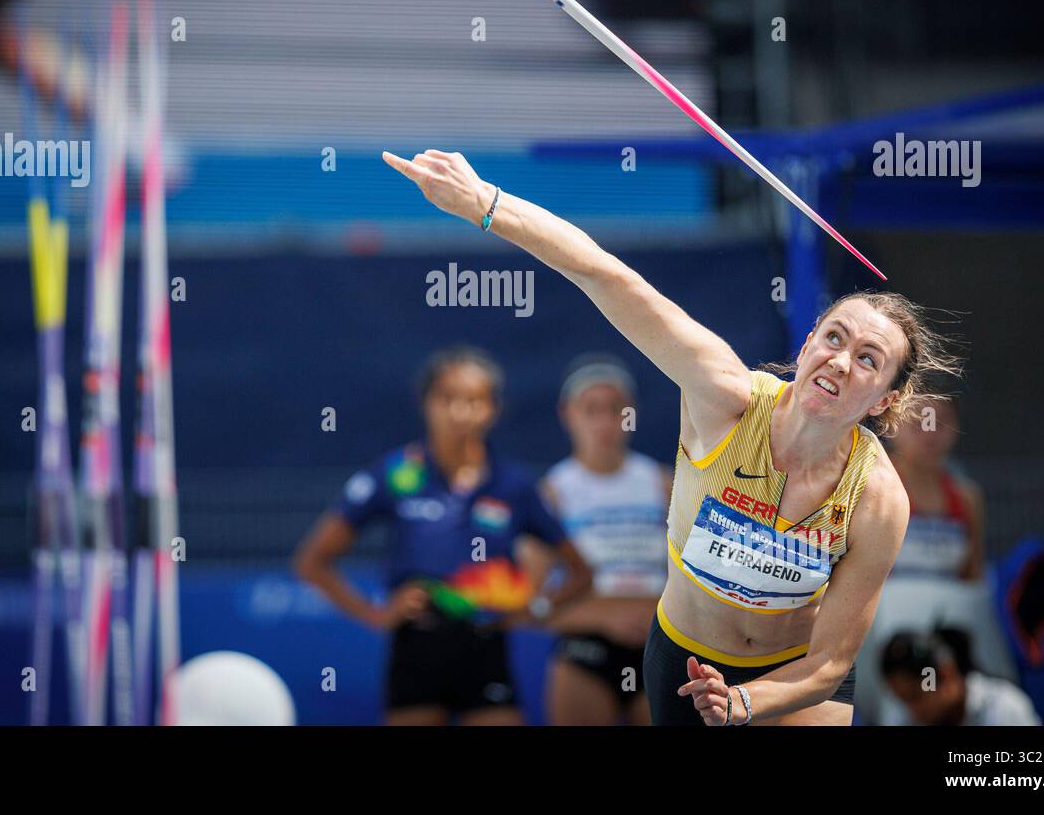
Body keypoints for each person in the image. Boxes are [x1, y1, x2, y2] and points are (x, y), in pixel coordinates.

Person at [381, 148, 963, 726]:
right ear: (808, 341)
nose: (840, 362)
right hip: (687, 661)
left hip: (794, 679)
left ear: (887, 399)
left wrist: (744, 703)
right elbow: (606, 275)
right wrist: (485, 203)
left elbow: (829, 663)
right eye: (834, 338)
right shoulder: (725, 397)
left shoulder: (880, 499)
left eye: (868, 359)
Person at [293, 345, 592, 725]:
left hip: (486, 644)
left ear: (493, 409)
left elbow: (581, 571)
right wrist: (375, 614)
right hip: (417, 645)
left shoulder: (512, 485)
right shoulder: (398, 473)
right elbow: (312, 561)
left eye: (473, 400)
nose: (459, 412)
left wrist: (535, 609)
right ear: (425, 403)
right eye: (446, 398)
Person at [524, 354, 670, 725]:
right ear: (567, 414)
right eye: (591, 409)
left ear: (631, 413)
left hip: (661, 644)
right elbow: (528, 602)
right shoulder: (551, 494)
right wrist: (604, 619)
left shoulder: (665, 484)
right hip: (585, 649)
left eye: (616, 409)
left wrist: (654, 617)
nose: (605, 422)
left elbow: (701, 581)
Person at [887, 395, 986, 580]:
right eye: (918, 422)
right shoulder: (873, 491)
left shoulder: (967, 498)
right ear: (892, 423)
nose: (929, 433)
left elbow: (973, 577)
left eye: (939, 423)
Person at [881, 628, 1040, 725]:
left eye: (916, 696)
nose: (912, 711)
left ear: (946, 674)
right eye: (903, 700)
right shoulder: (909, 721)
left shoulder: (1002, 708)